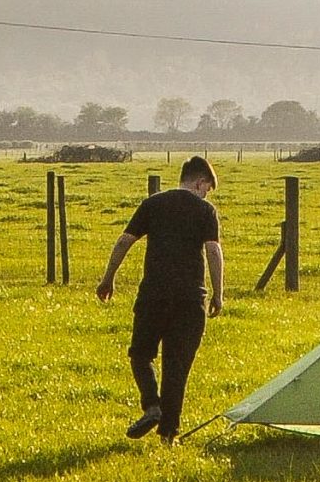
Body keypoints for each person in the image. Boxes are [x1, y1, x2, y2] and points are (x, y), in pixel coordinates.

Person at [95, 155, 224, 443]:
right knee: (177, 367)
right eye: (207, 188)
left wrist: (108, 278)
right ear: (200, 182)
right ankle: (168, 435)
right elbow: (214, 252)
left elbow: (124, 241)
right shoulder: (205, 210)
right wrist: (218, 293)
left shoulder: (153, 204)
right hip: (191, 299)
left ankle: (152, 405)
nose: (206, 194)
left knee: (141, 354)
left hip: (154, 294)